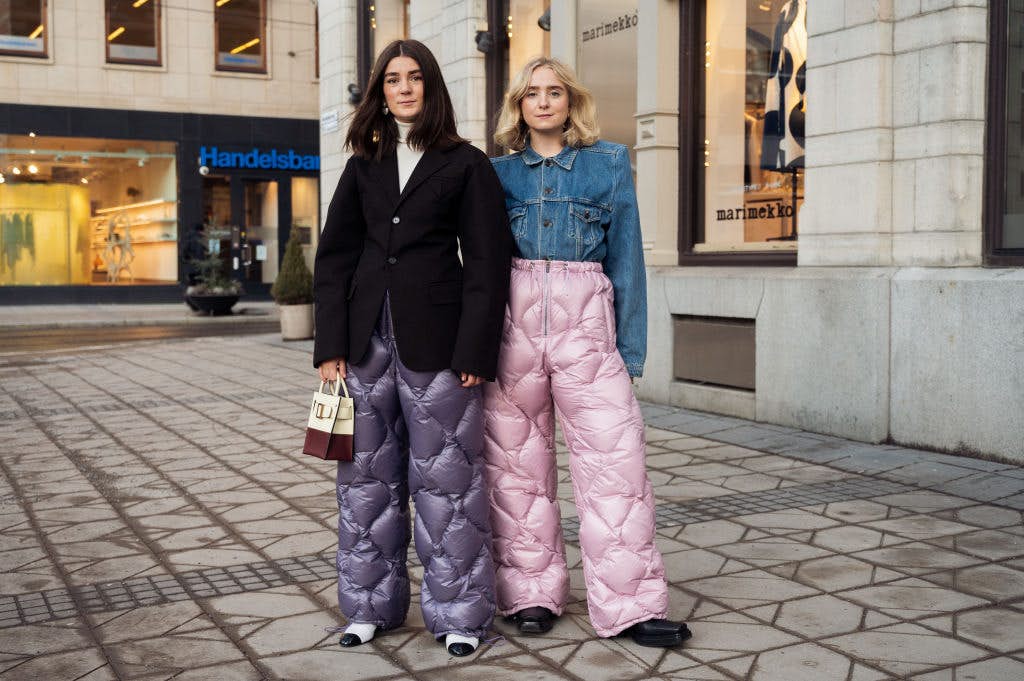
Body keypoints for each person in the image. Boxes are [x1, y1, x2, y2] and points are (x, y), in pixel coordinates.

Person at [483, 57, 692, 647]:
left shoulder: (608, 163)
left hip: (588, 334)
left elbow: (628, 259)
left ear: (571, 100)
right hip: (512, 333)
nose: (543, 102)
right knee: (515, 471)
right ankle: (530, 595)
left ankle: (632, 606)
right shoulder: (497, 175)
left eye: (554, 92)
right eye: (531, 94)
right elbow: (478, 263)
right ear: (518, 106)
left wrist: (630, 353)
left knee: (617, 469)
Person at [313, 39, 512, 657]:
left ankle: (458, 616)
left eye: (415, 77)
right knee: (364, 481)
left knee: (449, 483)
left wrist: (476, 352)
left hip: (442, 346)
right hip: (364, 342)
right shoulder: (363, 164)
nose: (403, 88)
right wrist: (329, 347)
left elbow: (487, 263)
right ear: (380, 90)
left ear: (431, 87)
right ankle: (369, 608)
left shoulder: (465, 162)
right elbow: (335, 257)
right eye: (392, 79)